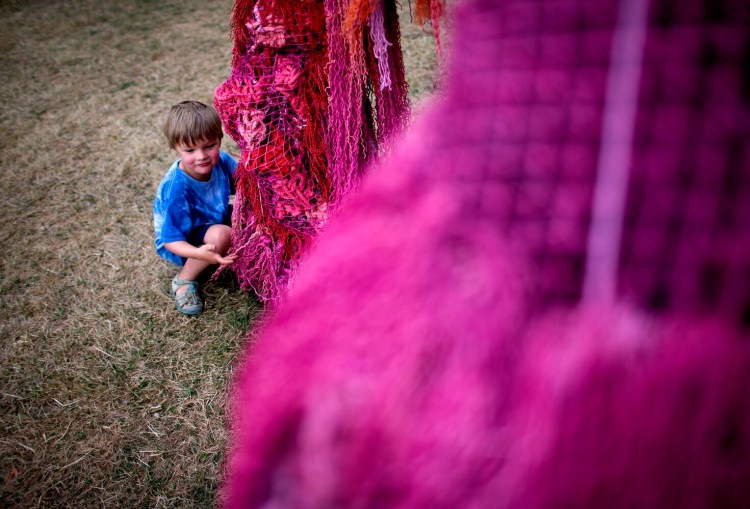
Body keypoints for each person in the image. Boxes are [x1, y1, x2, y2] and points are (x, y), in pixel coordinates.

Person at [153, 100, 238, 315]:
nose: (201, 156)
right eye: (190, 149)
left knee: (244, 211)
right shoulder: (177, 188)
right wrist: (200, 253)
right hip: (184, 239)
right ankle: (184, 280)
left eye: (209, 146)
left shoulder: (222, 162)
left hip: (212, 218)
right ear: (176, 148)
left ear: (219, 139)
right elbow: (170, 241)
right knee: (221, 235)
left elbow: (247, 184)